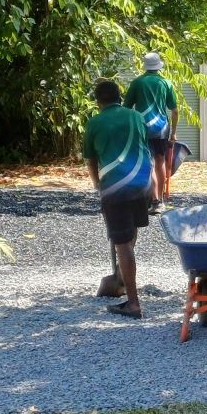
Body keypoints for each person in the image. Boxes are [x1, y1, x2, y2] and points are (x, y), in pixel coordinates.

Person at [83, 79, 155, 319]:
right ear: (120, 97)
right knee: (130, 235)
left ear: (98, 102)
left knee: (122, 243)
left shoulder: (95, 122)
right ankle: (122, 278)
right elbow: (146, 149)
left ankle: (132, 302)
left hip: (115, 187)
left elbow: (91, 160)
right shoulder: (136, 117)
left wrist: (97, 185)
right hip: (142, 184)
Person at [123, 52, 178, 212]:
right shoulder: (165, 83)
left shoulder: (137, 83)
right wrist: (173, 132)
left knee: (147, 163)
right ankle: (159, 201)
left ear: (145, 66)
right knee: (160, 162)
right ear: (158, 66)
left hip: (142, 127)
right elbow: (174, 110)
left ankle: (151, 199)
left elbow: (126, 108)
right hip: (161, 128)